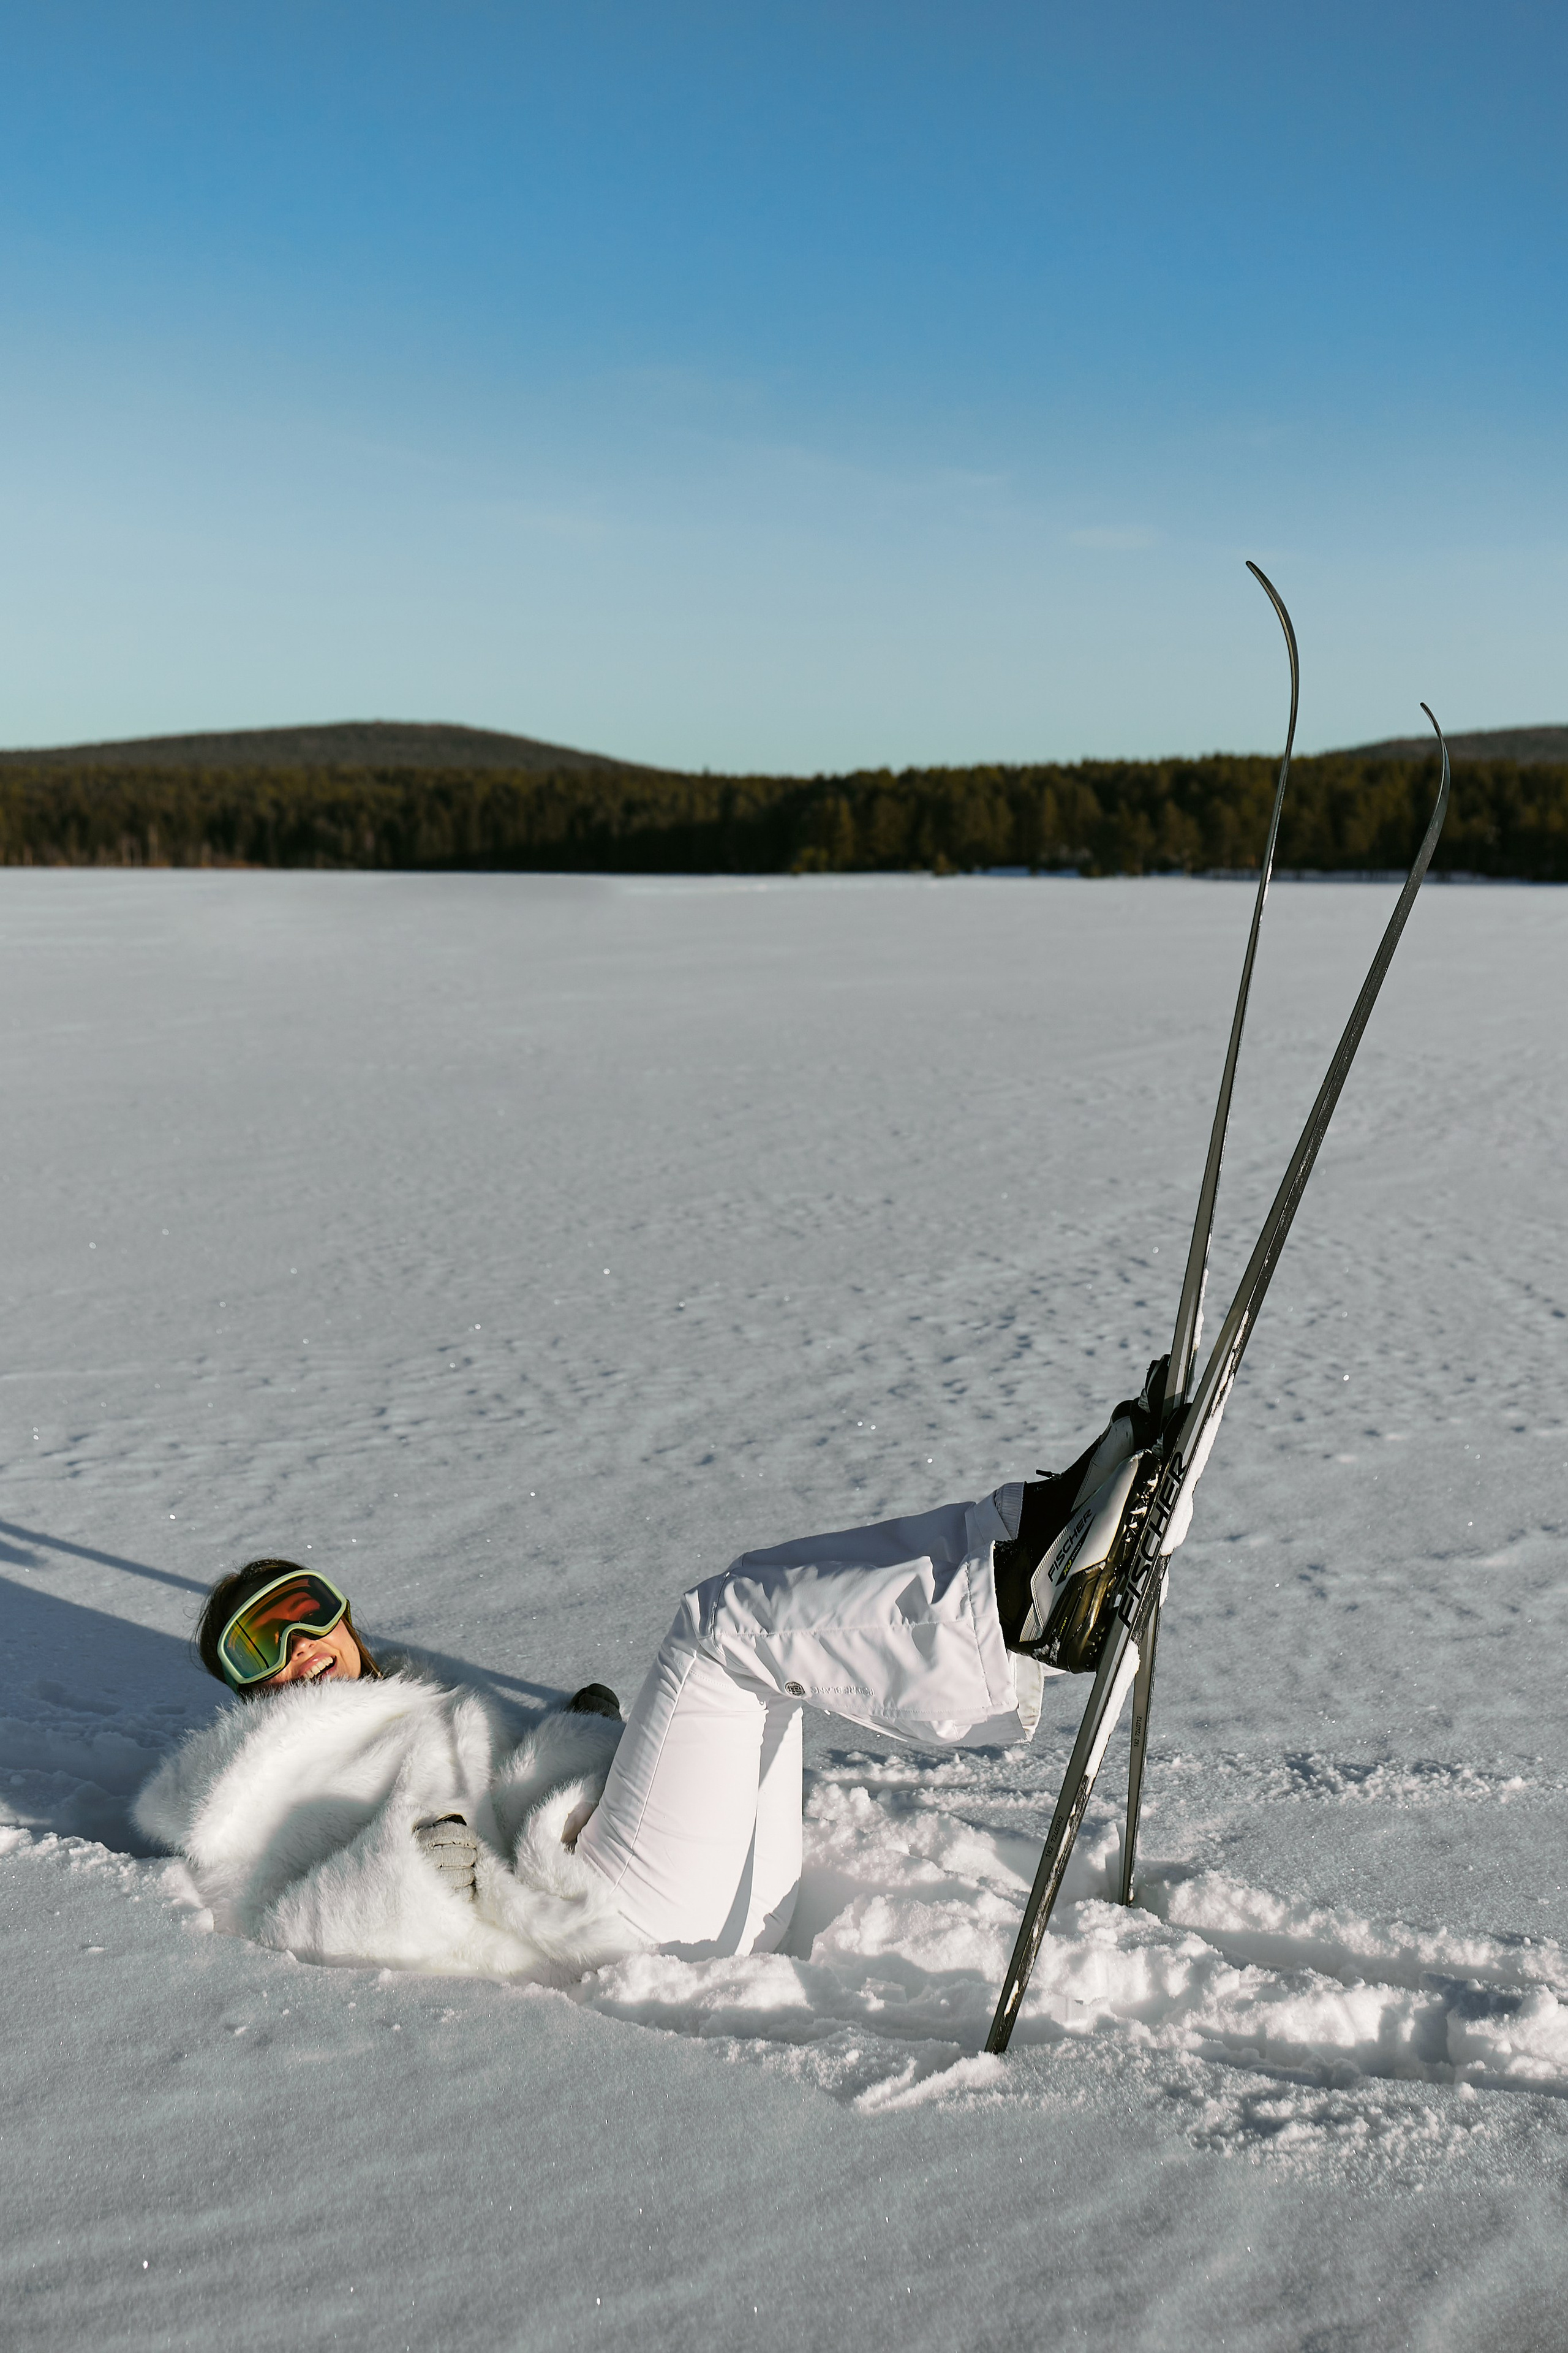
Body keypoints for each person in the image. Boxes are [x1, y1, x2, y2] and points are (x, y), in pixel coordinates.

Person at [135, 1364, 1167, 1979]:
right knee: (724, 1627)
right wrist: (447, 1879)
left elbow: (470, 1787)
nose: (296, 1649)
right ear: (247, 1694)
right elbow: (297, 1919)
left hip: (704, 1897)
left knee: (761, 1596)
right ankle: (1021, 1613)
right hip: (613, 1919)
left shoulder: (418, 1704)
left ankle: (1026, 1531)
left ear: (341, 1612)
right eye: (256, 1649)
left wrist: (558, 1733)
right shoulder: (261, 1783)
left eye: (300, 1610)